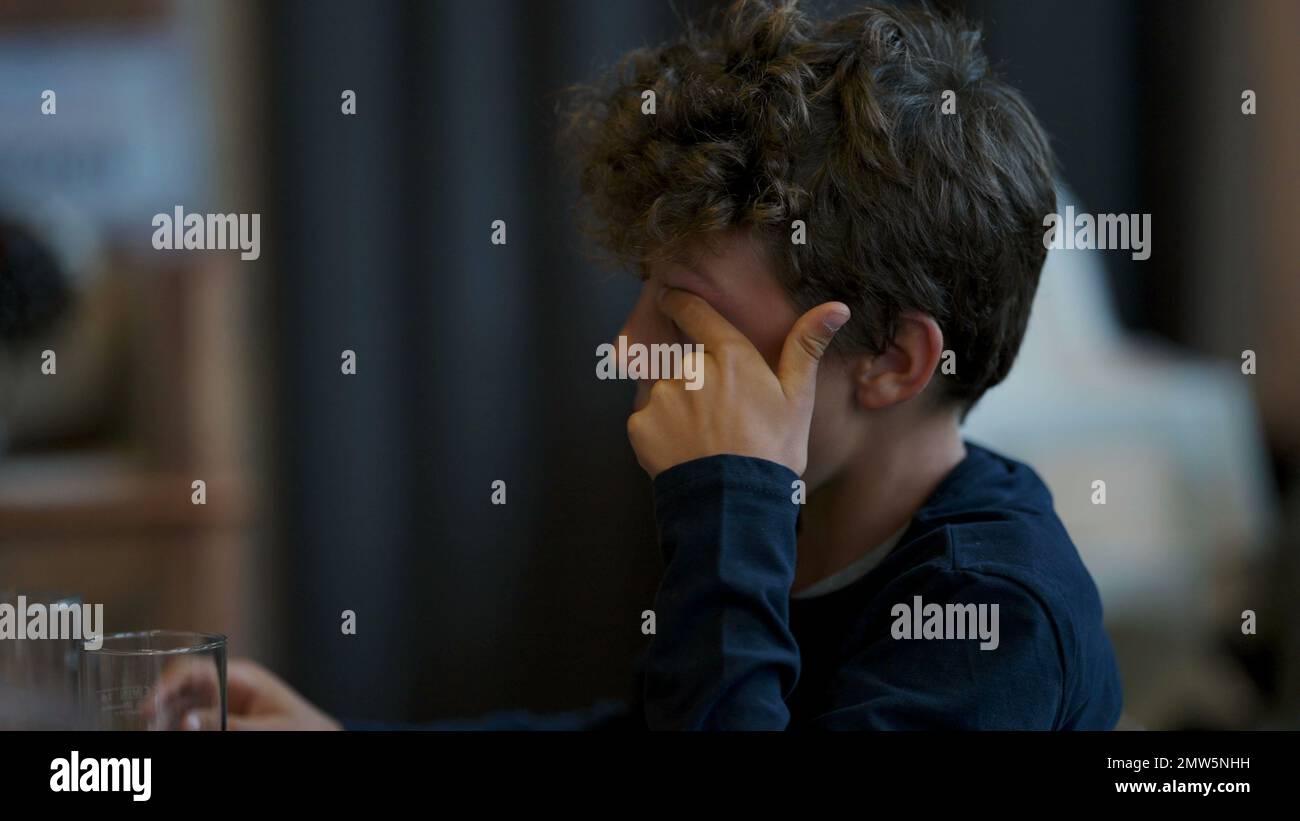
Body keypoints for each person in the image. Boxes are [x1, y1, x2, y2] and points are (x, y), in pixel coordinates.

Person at [184, 0, 1122, 731]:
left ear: (892, 360)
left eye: (690, 312)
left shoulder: (994, 617)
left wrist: (730, 505)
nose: (628, 346)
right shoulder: (807, 531)